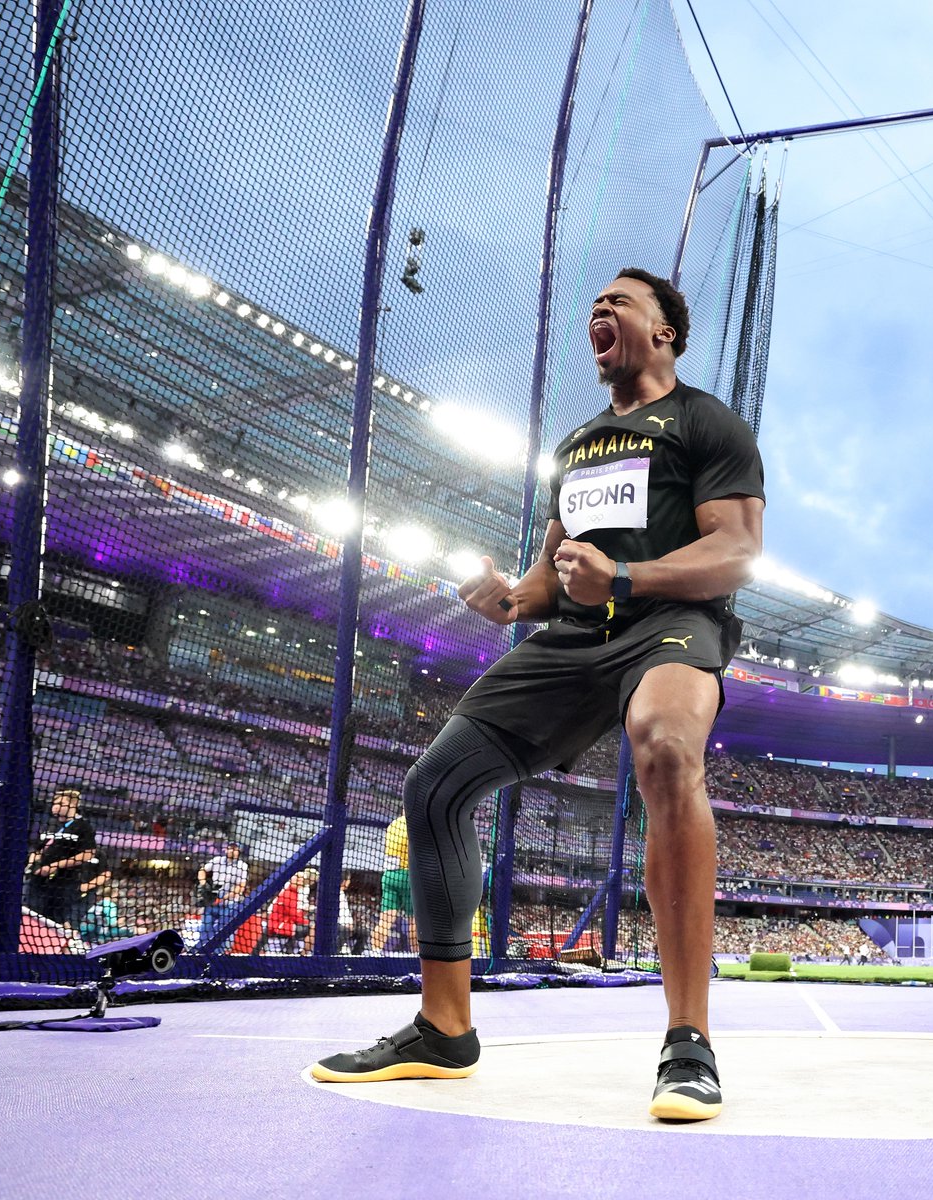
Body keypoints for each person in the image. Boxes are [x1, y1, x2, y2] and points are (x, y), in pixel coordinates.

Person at [311, 268, 764, 1122]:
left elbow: (736, 552)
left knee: (668, 748)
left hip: (670, 623)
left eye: (621, 301)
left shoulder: (705, 422)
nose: (601, 308)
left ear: (664, 331)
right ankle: (444, 1028)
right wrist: (513, 598)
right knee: (434, 788)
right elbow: (554, 573)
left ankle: (688, 1041)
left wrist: (624, 577)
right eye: (595, 304)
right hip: (577, 638)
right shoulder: (579, 445)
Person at [26, 785, 97, 931]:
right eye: (54, 803)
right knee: (33, 916)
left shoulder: (83, 826)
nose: (55, 807)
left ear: (73, 805)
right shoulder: (51, 825)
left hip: (64, 883)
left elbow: (88, 854)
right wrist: (34, 862)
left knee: (57, 921)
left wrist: (55, 866)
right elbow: (38, 849)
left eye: (60, 803)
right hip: (39, 881)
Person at [369, 813, 417, 953]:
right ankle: (417, 956)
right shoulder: (416, 823)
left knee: (385, 920)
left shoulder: (393, 824)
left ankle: (374, 952)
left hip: (389, 875)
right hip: (408, 876)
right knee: (415, 921)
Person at [196, 840, 249, 950]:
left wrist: (223, 898)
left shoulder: (242, 866)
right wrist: (204, 884)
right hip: (212, 902)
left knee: (226, 933)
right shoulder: (217, 860)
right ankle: (201, 953)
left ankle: (221, 955)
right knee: (205, 929)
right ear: (226, 850)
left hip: (229, 904)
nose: (232, 851)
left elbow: (240, 887)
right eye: (230, 848)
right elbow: (202, 870)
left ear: (238, 851)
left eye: (235, 849)